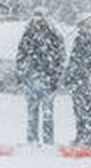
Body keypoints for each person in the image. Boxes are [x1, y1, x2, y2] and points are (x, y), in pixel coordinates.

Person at [15, 9, 65, 144]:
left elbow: (60, 58)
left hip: (48, 79)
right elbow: (21, 55)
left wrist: (55, 76)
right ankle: (32, 139)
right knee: (32, 112)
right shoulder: (28, 35)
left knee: (47, 112)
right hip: (31, 78)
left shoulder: (54, 36)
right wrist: (21, 74)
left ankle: (48, 140)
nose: (38, 21)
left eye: (41, 18)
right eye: (36, 18)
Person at [61, 15, 91, 146]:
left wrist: (87, 74)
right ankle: (80, 134)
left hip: (87, 81)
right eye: (80, 25)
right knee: (78, 110)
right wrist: (69, 76)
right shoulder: (78, 40)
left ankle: (90, 137)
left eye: (84, 25)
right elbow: (74, 60)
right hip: (77, 81)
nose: (81, 27)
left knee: (88, 109)